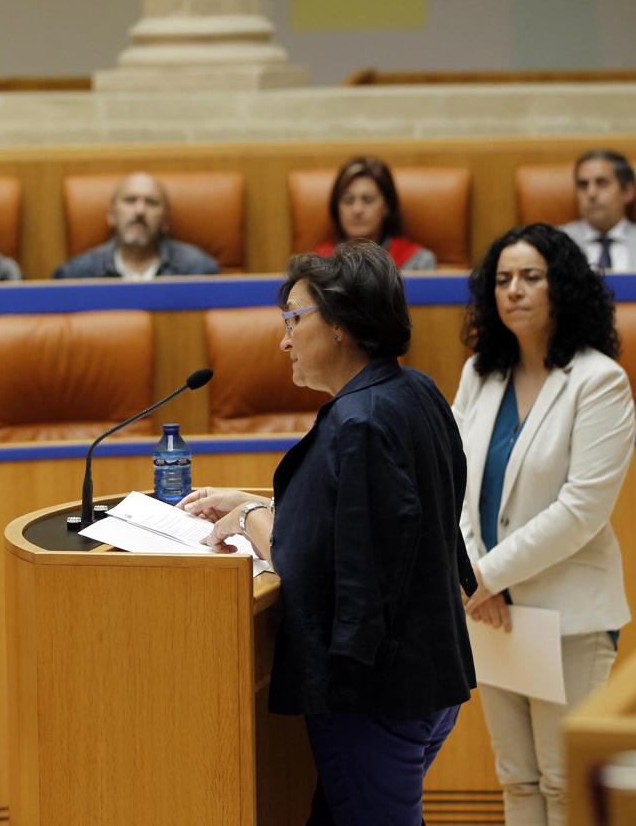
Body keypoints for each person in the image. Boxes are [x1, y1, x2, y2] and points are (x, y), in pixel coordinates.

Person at [179, 241, 476, 825]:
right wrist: (256, 501)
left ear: (340, 324)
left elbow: (311, 565)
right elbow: (393, 519)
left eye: (294, 318)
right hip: (432, 672)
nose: (284, 339)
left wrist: (247, 520)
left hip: (374, 693)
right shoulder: (415, 393)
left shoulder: (357, 423)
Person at [453, 223, 634, 826]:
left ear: (564, 287)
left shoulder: (599, 380)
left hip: (567, 616)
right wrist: (476, 578)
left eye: (531, 277)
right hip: (492, 613)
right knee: (518, 780)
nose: (515, 291)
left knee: (566, 785)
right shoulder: (480, 374)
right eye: (503, 280)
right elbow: (454, 480)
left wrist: (485, 574)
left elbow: (582, 509)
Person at [53, 171, 219, 279]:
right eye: (130, 201)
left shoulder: (198, 270)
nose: (140, 211)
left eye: (151, 203)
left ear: (166, 221)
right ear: (111, 216)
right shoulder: (77, 275)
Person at [314, 156, 437, 270]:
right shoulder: (318, 264)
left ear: (387, 207)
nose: (357, 210)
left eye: (368, 200)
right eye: (348, 200)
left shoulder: (418, 263)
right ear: (337, 207)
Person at [561, 149, 636, 271]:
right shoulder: (556, 242)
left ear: (627, 191)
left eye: (602, 183)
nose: (591, 193)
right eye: (583, 185)